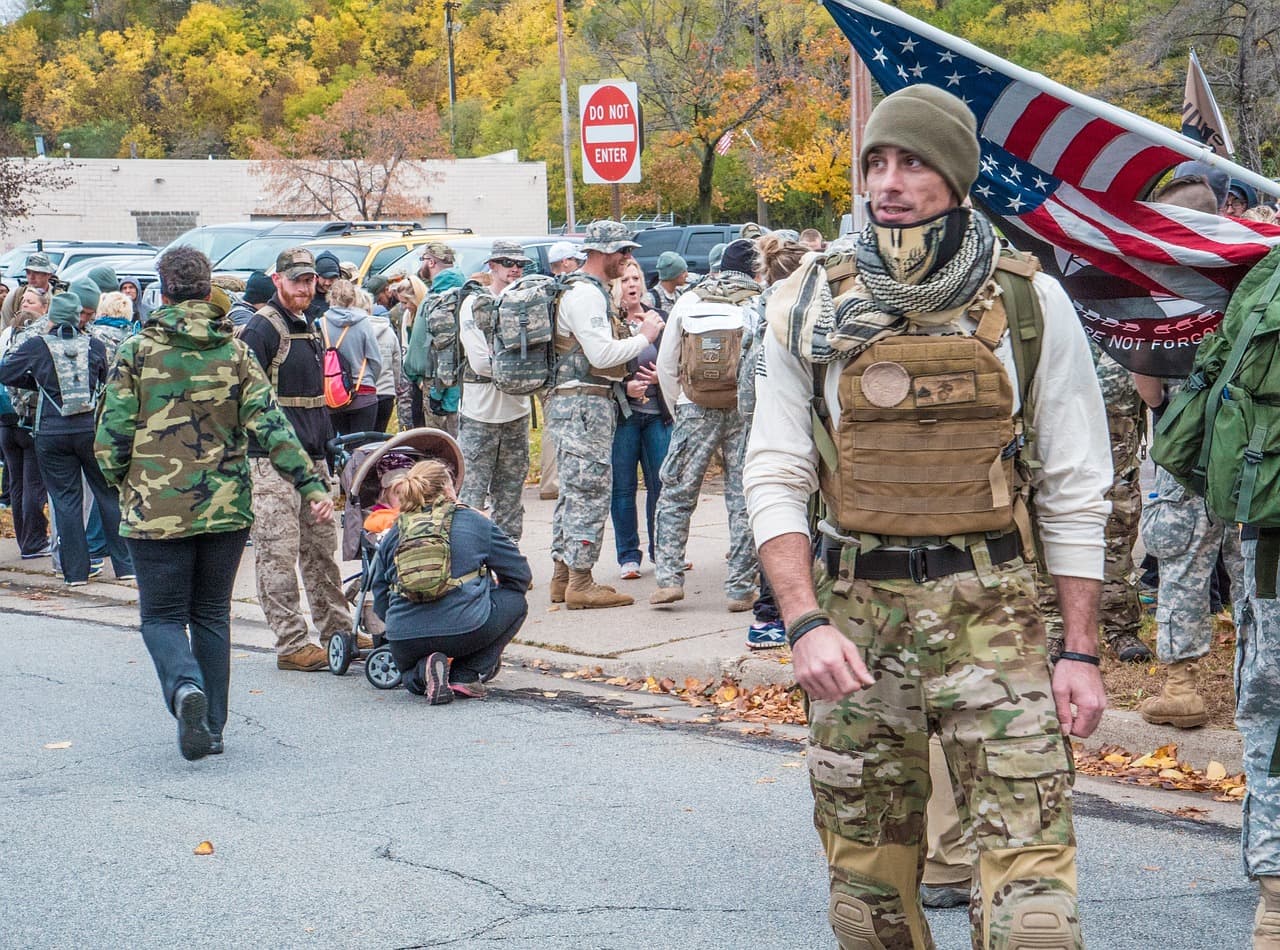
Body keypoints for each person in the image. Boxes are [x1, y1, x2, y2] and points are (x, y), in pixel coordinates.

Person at [743, 85, 1110, 949]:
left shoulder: (1030, 303)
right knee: (867, 913)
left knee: (1035, 924)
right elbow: (773, 471)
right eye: (876, 161)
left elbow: (1073, 483)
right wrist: (802, 624)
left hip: (995, 611)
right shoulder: (806, 305)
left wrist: (1080, 649)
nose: (890, 181)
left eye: (912, 161)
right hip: (855, 617)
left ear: (955, 176)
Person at [95, 246, 334, 761]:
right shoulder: (235, 353)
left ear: (162, 291)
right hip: (225, 509)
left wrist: (125, 486)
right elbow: (272, 426)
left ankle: (184, 689)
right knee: (210, 614)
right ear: (208, 291)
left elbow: (109, 437)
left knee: (161, 616)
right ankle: (215, 727)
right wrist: (311, 486)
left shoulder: (137, 352)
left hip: (156, 508)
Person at [1137, 173, 1247, 728]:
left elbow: (1148, 387)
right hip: (1251, 444)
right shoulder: (1250, 272)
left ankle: (1181, 686)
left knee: (1181, 557)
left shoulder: (1160, 284)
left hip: (1185, 442)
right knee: (1251, 558)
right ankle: (1255, 680)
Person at [238, 247, 351, 672]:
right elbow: (247, 402)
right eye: (297, 279)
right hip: (270, 462)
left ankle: (336, 629)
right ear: (278, 279)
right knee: (277, 552)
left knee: (323, 551)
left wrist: (325, 448)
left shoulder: (312, 326)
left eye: (309, 280)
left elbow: (314, 401)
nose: (305, 287)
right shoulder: (261, 329)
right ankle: (291, 642)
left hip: (313, 457)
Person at [547, 220, 663, 609]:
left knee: (573, 490)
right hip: (583, 405)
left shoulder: (582, 290)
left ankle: (563, 576)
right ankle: (580, 582)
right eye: (622, 252)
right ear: (601, 253)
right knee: (589, 490)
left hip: (578, 402)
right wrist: (644, 336)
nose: (628, 259)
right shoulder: (586, 295)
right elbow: (600, 356)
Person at [650, 239, 760, 612]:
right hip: (744, 410)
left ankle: (667, 578)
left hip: (694, 407)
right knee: (742, 498)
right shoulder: (758, 301)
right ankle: (741, 587)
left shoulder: (690, 298)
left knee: (677, 494)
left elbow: (667, 362)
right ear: (753, 270)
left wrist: (679, 404)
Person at [370, 458, 531, 703]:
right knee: (516, 602)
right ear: (448, 489)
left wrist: (395, 625)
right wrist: (487, 596)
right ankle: (465, 675)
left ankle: (424, 672)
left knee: (409, 677)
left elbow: (380, 593)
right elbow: (519, 574)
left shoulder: (394, 530)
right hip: (465, 630)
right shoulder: (474, 522)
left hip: (404, 637)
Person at [0, 291, 134, 585]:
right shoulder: (95, 345)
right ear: (78, 316)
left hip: (52, 430)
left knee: (66, 500)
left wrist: (36, 383)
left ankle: (75, 573)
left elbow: (5, 371)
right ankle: (126, 567)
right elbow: (106, 380)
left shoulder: (37, 345)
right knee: (107, 494)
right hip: (90, 430)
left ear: (52, 316)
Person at [457, 240, 532, 542]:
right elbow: (479, 362)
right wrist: (519, 365)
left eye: (519, 264)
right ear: (492, 266)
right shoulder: (474, 304)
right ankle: (471, 561)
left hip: (517, 412)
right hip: (480, 415)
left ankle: (509, 561)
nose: (514, 269)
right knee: (472, 495)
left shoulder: (529, 305)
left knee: (511, 496)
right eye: (506, 262)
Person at [609, 257, 671, 579]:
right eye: (625, 279)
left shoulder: (658, 318)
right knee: (623, 487)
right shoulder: (609, 320)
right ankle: (628, 556)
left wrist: (664, 377)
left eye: (635, 278)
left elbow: (677, 361)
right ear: (615, 285)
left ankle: (663, 552)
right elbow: (601, 362)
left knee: (661, 483)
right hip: (625, 415)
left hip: (656, 414)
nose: (631, 284)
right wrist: (624, 386)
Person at [405, 244, 464, 433]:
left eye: (422, 260)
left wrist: (437, 391)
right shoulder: (440, 291)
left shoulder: (444, 296)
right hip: (435, 380)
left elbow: (447, 346)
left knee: (440, 442)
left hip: (439, 383)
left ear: (430, 262)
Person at [319, 278, 383, 435]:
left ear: (331, 298)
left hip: (334, 393)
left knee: (338, 445)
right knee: (362, 449)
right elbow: (375, 360)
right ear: (354, 298)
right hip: (363, 390)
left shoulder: (322, 323)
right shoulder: (364, 323)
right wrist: (370, 379)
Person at [1, 251, 57, 329]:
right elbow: (6, 326)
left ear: (48, 274)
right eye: (28, 272)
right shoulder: (15, 295)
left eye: (37, 273)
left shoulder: (57, 297)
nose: (31, 277)